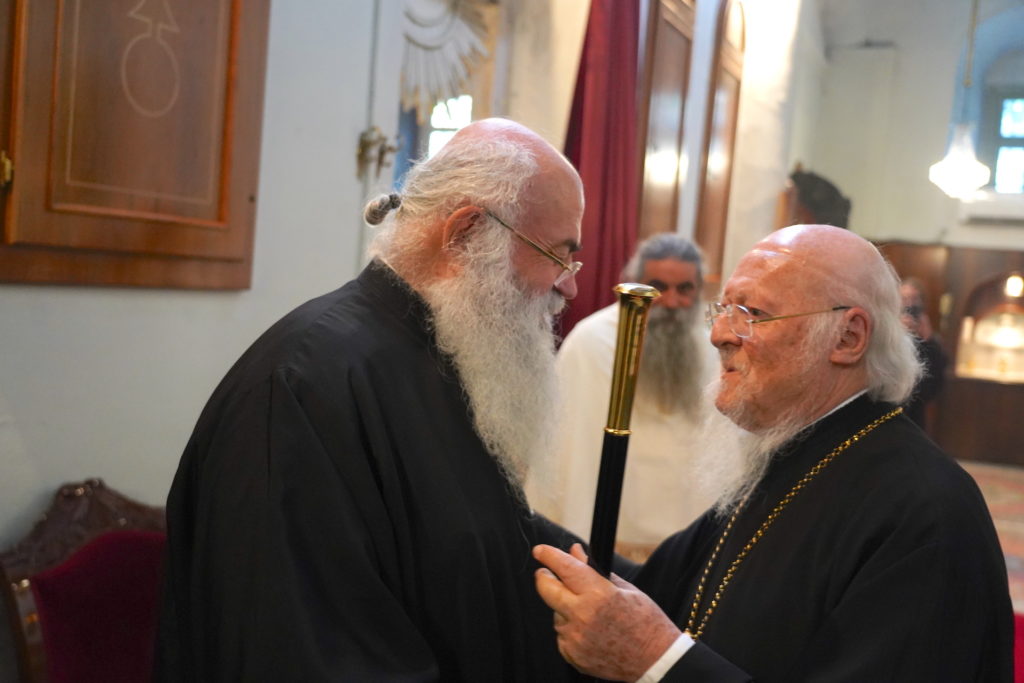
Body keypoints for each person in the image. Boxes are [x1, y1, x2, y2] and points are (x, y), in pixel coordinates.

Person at [155, 118, 591, 681]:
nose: (570, 286)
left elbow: (477, 539)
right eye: (556, 255)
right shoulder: (304, 386)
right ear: (463, 235)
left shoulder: (453, 359)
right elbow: (305, 650)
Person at [533, 225, 1013, 682]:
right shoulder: (790, 458)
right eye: (723, 309)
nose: (719, 334)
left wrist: (658, 662)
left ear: (848, 338)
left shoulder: (924, 512)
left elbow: (657, 643)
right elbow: (661, 587)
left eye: (753, 315)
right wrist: (503, 509)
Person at [526, 234, 717, 561]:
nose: (671, 301)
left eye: (685, 289)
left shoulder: (710, 350)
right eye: (658, 286)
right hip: (607, 532)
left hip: (682, 534)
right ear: (632, 282)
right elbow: (568, 447)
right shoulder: (591, 343)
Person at [900, 276, 947, 429]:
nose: (909, 304)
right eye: (904, 298)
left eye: (914, 299)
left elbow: (933, 386)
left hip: (915, 415)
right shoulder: (886, 330)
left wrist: (928, 342)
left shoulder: (930, 339)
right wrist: (896, 333)